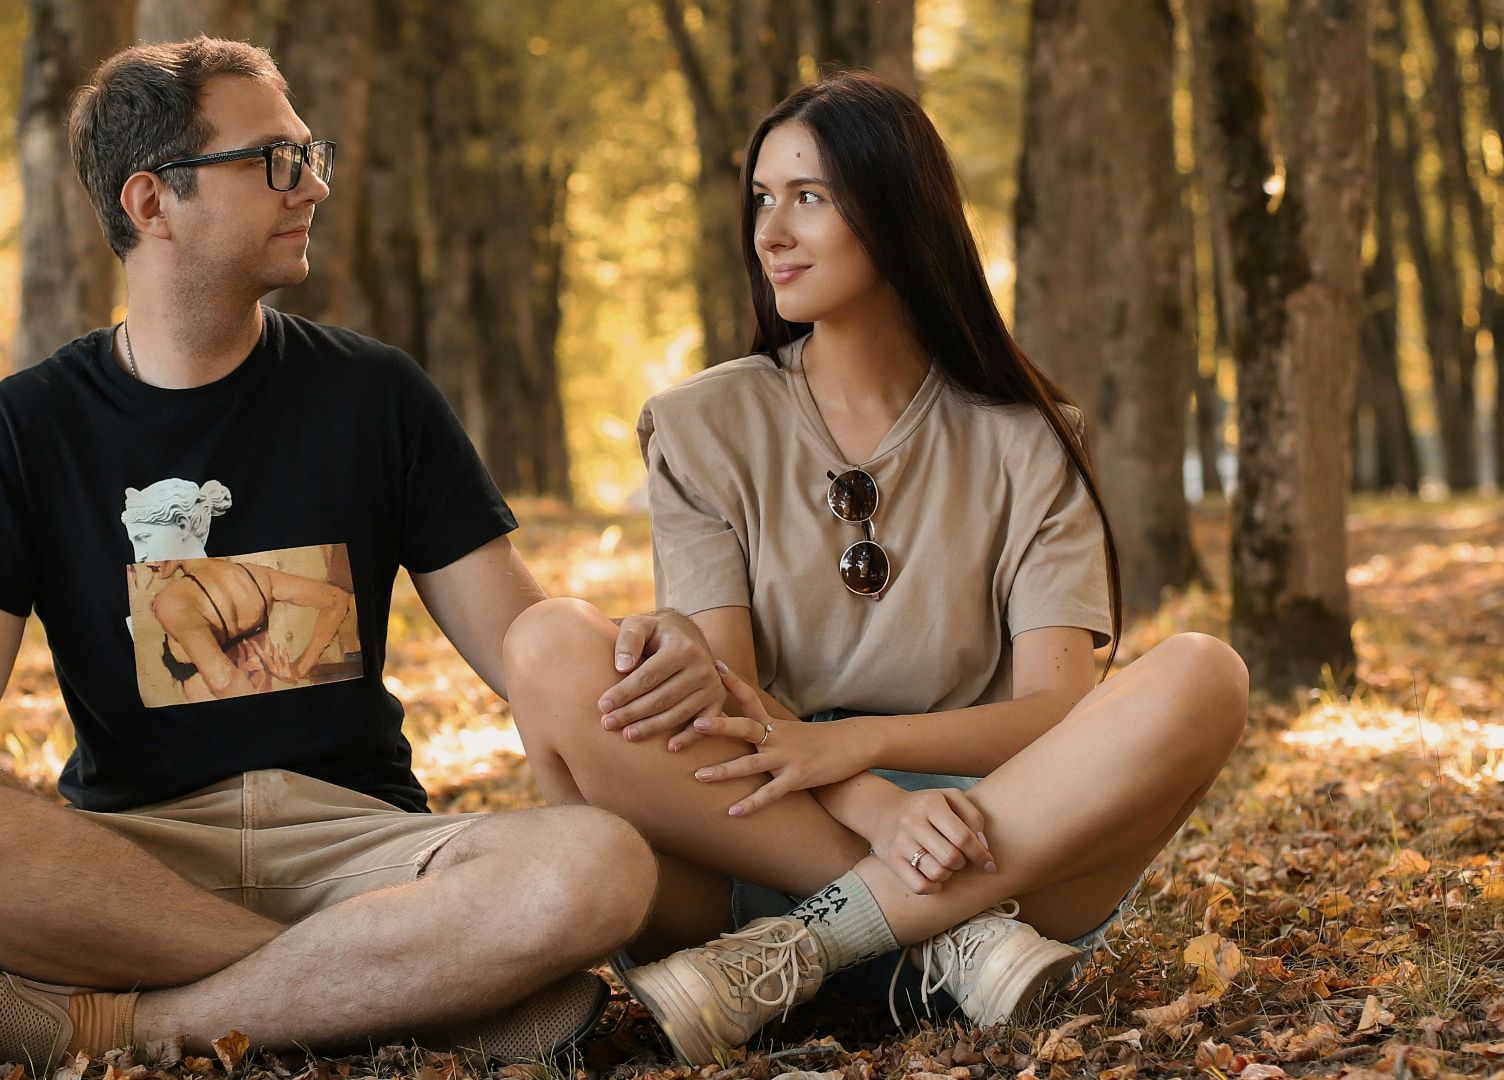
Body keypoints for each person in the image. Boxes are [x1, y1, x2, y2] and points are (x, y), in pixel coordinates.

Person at [0, 37, 727, 1073]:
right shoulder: (28, 424)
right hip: (131, 856)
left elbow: (518, 630)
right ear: (151, 202)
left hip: (364, 849)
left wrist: (626, 641)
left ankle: (135, 1024)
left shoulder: (377, 394)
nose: (316, 185)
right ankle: (408, 995)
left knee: (602, 866)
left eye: (310, 154)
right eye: (275, 161)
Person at [503, 70, 1250, 1065]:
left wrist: (864, 747)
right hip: (758, 844)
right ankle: (942, 939)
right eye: (762, 200)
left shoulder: (1031, 441)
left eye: (808, 197)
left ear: (899, 212)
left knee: (1206, 670)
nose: (771, 230)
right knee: (548, 642)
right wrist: (879, 806)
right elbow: (728, 703)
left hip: (1000, 852)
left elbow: (1056, 715)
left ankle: (808, 950)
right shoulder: (699, 426)